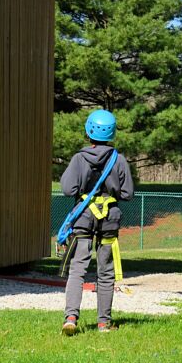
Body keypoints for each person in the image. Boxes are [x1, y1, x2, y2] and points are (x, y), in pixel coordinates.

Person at [59, 109, 134, 335]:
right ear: (111, 133)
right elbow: (127, 193)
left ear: (89, 130)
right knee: (106, 272)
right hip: (109, 219)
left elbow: (67, 189)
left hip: (83, 218)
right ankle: (103, 323)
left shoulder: (79, 158)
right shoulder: (118, 160)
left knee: (77, 269)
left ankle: (71, 317)